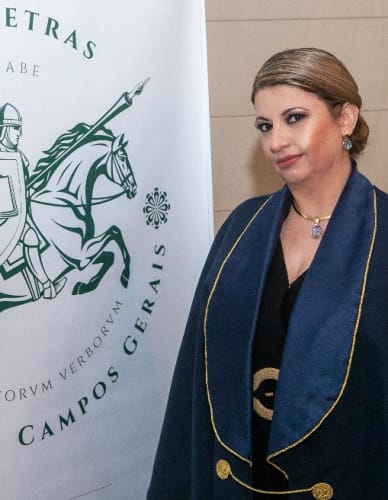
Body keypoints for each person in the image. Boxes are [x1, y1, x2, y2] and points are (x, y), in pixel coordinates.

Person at [147, 48, 388, 499]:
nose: (276, 141)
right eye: (265, 125)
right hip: (240, 481)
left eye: (294, 118)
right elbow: (196, 387)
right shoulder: (242, 227)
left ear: (345, 118)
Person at [0, 103, 60, 299]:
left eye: (19, 128)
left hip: (21, 212)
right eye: (15, 128)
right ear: (4, 129)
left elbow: (25, 187)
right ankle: (47, 286)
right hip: (2, 218)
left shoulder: (20, 156)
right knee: (31, 237)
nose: (19, 133)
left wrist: (32, 189)